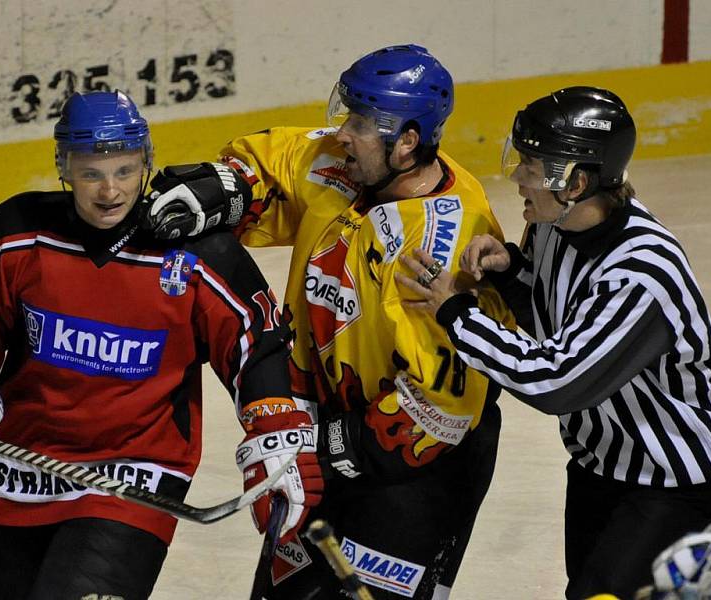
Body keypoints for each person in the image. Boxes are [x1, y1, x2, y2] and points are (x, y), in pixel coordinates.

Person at [145, 44, 513, 599]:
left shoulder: (439, 245)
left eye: (360, 123)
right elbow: (281, 157)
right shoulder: (353, 166)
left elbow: (444, 406)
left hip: (417, 465)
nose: (343, 132)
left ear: (407, 142)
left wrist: (317, 445)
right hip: (330, 420)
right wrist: (233, 183)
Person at [0, 90, 322, 600]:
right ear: (64, 167)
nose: (110, 190)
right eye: (92, 172)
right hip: (15, 465)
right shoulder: (15, 234)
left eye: (125, 170)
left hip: (136, 472)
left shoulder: (197, 254)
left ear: (147, 164)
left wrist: (275, 429)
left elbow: (257, 341)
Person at [396, 86, 711, 599]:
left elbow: (559, 380)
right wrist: (511, 274)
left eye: (531, 166)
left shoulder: (642, 271)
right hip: (601, 463)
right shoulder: (554, 227)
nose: (516, 178)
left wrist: (455, 312)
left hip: (671, 481)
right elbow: (557, 317)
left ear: (573, 181)